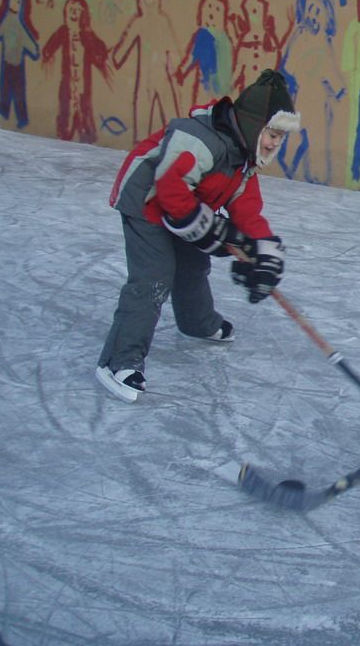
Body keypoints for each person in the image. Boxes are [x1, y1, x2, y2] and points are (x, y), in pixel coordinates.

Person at [96, 69, 301, 403]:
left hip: (183, 203)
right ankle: (118, 360)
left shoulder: (243, 161)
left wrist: (264, 253)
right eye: (272, 133)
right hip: (146, 201)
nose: (276, 143)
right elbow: (170, 189)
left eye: (281, 136)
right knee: (154, 277)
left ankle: (197, 322)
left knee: (193, 265)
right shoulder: (199, 138)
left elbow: (247, 210)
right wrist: (217, 235)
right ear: (251, 124)